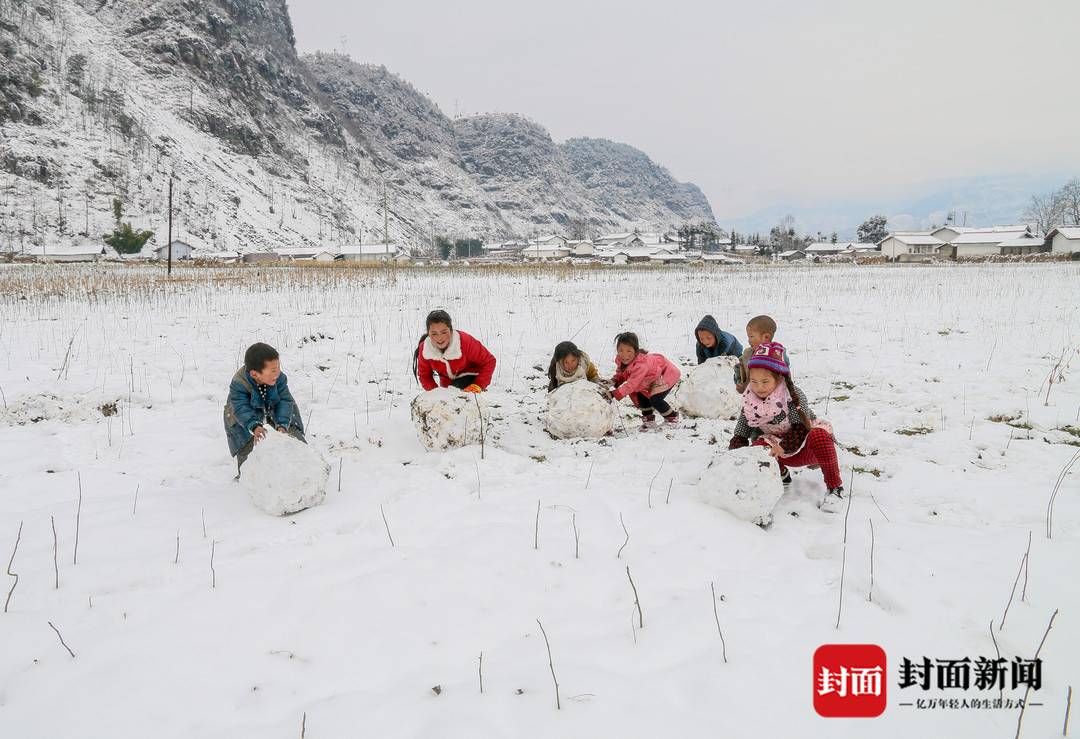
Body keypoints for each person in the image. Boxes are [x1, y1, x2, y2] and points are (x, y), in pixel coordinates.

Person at [728, 342, 844, 511]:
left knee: (819, 435)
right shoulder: (750, 400)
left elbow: (802, 426)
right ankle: (781, 475)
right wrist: (735, 453)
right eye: (754, 381)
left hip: (805, 446)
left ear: (779, 378)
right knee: (757, 449)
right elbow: (742, 429)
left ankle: (834, 487)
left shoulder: (791, 396)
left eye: (765, 381)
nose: (759, 387)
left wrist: (784, 446)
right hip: (776, 450)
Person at [223, 342, 305, 474]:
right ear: (255, 374)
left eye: (278, 367)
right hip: (241, 414)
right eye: (273, 370)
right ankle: (247, 474)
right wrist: (254, 426)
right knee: (247, 448)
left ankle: (302, 463)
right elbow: (241, 408)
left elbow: (284, 401)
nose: (278, 373)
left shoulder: (279, 378)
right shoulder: (239, 384)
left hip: (272, 403)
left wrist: (282, 425)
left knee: (290, 425)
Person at [610, 332, 682, 430]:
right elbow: (621, 373)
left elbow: (632, 384)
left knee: (655, 399)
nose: (624, 355)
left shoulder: (641, 365)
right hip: (649, 380)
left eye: (629, 351)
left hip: (665, 374)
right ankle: (649, 421)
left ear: (635, 351)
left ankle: (672, 418)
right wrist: (615, 380)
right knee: (641, 396)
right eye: (620, 350)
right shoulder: (621, 361)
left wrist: (614, 394)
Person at [413, 309, 496, 392]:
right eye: (434, 334)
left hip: (472, 378)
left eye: (444, 332)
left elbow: (489, 361)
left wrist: (478, 384)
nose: (439, 338)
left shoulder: (464, 342)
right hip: (449, 386)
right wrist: (436, 394)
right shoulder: (425, 349)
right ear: (428, 333)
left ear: (451, 330)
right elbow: (425, 376)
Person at [735, 314, 792, 393]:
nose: (749, 340)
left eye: (751, 336)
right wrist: (740, 383)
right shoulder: (748, 353)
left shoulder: (777, 354)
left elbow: (786, 374)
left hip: (774, 396)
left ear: (766, 337)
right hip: (752, 396)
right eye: (748, 337)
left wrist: (788, 390)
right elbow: (739, 368)